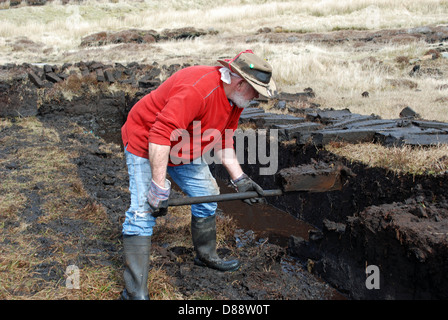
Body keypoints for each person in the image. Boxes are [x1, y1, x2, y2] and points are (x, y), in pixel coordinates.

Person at [120, 50, 277, 300]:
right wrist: (158, 188)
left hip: (184, 146)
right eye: (255, 91)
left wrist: (240, 179)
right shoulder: (198, 90)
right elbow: (160, 135)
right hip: (147, 141)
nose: (256, 97)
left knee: (207, 194)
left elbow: (223, 140)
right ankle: (134, 293)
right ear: (239, 83)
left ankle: (205, 255)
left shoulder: (235, 100)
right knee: (142, 212)